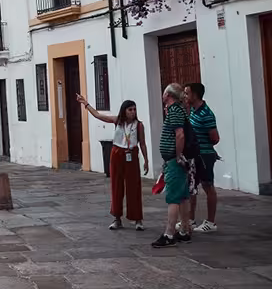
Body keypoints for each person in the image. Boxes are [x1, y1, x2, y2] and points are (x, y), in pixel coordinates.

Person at [77, 94, 149, 231]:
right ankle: (117, 218)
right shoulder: (118, 121)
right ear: (124, 111)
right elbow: (98, 115)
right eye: (130, 110)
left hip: (131, 154)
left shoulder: (139, 125)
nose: (133, 112)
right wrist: (85, 104)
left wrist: (146, 160)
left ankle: (137, 219)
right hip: (117, 154)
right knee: (116, 186)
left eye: (134, 109)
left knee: (134, 186)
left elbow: (143, 143)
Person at [152, 83, 193, 247]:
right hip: (175, 159)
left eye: (164, 92)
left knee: (173, 197)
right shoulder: (177, 110)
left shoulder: (175, 110)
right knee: (182, 196)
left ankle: (169, 234)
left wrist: (177, 155)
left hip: (175, 160)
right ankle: (184, 230)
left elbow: (179, 135)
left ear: (168, 95)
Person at [186, 82, 220, 232]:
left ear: (195, 95)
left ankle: (211, 222)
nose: (185, 96)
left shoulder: (206, 114)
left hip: (205, 155)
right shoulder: (193, 111)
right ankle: (190, 220)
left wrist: (202, 144)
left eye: (187, 93)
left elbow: (215, 138)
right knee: (191, 187)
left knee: (208, 186)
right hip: (194, 155)